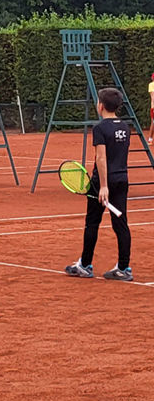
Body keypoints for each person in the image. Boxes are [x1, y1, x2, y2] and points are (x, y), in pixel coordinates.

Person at [66, 88, 133, 281]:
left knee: (92, 223)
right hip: (122, 179)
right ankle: (124, 267)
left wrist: (103, 186)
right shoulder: (125, 127)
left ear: (100, 105)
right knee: (121, 225)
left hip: (101, 183)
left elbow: (101, 158)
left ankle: (85, 265)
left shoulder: (100, 128)